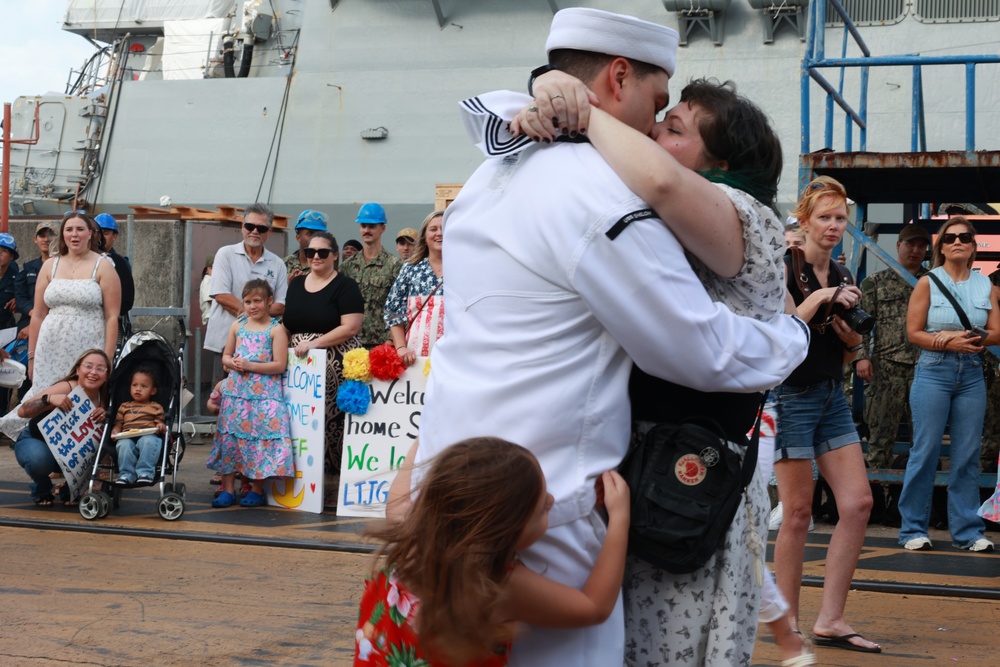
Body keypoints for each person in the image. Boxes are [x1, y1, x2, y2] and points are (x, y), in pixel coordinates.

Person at [408, 8, 810, 666]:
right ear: (617, 77)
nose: (654, 127)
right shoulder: (600, 195)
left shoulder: (486, 177)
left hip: (447, 504)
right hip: (546, 521)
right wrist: (793, 338)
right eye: (657, 105)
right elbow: (700, 347)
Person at [518, 74, 811, 665]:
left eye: (674, 128)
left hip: (692, 472)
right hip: (654, 467)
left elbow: (658, 177)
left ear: (721, 162)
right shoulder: (663, 211)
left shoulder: (744, 213)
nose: (654, 129)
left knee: (676, 642)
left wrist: (581, 111)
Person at [356, 436, 630, 666]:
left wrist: (422, 440)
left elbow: (396, 502)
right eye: (543, 509)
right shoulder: (495, 583)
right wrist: (619, 519)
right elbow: (592, 608)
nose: (552, 499)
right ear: (502, 534)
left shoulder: (413, 533)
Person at [772, 176, 880, 654]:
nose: (834, 226)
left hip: (830, 392)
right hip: (789, 395)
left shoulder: (845, 275)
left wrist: (851, 334)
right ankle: (788, 621)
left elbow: (850, 348)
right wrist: (821, 301)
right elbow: (781, 331)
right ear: (805, 219)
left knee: (857, 503)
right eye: (826, 217)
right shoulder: (781, 265)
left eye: (840, 219)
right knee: (797, 513)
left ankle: (831, 619)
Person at [898, 216, 999, 553]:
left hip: (971, 372)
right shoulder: (928, 283)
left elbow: (997, 331)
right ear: (940, 246)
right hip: (934, 372)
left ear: (973, 246)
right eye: (950, 237)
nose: (958, 242)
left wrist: (961, 338)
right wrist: (948, 343)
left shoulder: (986, 286)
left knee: (967, 453)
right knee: (924, 451)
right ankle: (912, 528)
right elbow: (914, 333)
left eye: (965, 237)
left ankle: (968, 532)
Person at [0, 211, 121, 441]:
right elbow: (37, 315)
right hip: (50, 344)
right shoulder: (50, 266)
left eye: (80, 229)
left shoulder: (104, 266)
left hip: (88, 345)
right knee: (46, 397)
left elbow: (112, 317)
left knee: (82, 397)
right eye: (69, 229)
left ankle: (76, 462)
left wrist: (107, 358)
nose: (74, 235)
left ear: (90, 234)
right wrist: (33, 356)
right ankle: (43, 453)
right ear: (63, 235)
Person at [282, 231, 364, 507]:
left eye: (322, 252)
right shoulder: (295, 285)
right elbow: (287, 324)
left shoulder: (346, 286)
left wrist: (315, 343)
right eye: (310, 252)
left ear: (335, 255)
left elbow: (350, 327)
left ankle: (334, 486)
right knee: (299, 423)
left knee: (333, 425)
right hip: (298, 367)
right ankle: (303, 484)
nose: (315, 257)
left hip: (335, 362)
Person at [855, 225, 930, 522]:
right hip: (885, 370)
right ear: (898, 245)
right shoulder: (875, 282)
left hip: (926, 369)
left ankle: (912, 506)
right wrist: (861, 357)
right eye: (910, 244)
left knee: (923, 441)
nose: (915, 250)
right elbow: (861, 325)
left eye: (922, 246)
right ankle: (874, 503)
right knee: (879, 440)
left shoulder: (935, 282)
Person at [207, 279, 294, 508]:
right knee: (230, 438)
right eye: (247, 301)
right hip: (236, 393)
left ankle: (256, 488)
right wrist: (232, 363)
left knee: (259, 442)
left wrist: (250, 365)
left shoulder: (276, 329)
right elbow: (226, 356)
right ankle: (227, 489)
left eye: (257, 301)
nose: (252, 306)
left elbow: (279, 365)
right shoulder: (238, 325)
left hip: (264, 394)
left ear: (269, 302)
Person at [12, 349, 110, 506]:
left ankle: (70, 489)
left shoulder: (105, 396)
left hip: (71, 453)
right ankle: (42, 487)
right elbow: (22, 411)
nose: (93, 372)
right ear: (78, 370)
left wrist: (105, 415)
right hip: (37, 441)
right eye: (88, 366)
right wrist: (49, 400)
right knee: (38, 460)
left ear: (106, 375)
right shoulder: (67, 387)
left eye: (100, 369)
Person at [203, 203, 288, 379]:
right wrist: (257, 313)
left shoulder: (277, 264)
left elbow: (281, 305)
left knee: (258, 401)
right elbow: (220, 294)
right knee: (222, 400)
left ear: (269, 232)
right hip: (226, 345)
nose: (255, 231)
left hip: (262, 350)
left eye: (261, 228)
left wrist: (252, 315)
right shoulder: (225, 254)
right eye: (250, 226)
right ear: (242, 227)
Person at [385, 211, 444, 364]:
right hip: (414, 359)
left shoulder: (464, 270)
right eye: (433, 229)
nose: (439, 233)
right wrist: (400, 348)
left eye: (445, 228)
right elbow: (393, 310)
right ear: (424, 236)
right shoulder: (410, 269)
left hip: (453, 360)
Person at [339, 202, 401, 349]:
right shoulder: (347, 266)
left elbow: (399, 306)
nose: (366, 230)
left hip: (381, 343)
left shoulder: (394, 265)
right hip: (350, 341)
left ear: (383, 228)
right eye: (363, 226)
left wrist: (390, 341)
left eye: (372, 226)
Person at [12, 222, 55, 399]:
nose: (46, 239)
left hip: (53, 326)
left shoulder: (62, 267)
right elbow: (20, 298)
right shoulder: (28, 268)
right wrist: (33, 316)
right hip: (26, 328)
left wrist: (37, 324)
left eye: (50, 234)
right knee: (25, 380)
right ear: (35, 239)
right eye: (42, 235)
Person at [112, 365, 166, 485]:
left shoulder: (155, 407)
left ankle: (145, 472)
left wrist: (160, 427)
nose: (138, 389)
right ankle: (126, 474)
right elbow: (118, 423)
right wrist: (115, 431)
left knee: (148, 442)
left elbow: (159, 422)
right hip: (127, 435)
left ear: (153, 390)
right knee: (123, 445)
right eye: (134, 385)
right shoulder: (124, 406)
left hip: (148, 434)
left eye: (144, 386)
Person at [94, 213, 135, 342]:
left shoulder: (119, 263)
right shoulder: (81, 261)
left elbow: (126, 301)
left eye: (105, 233)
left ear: (115, 236)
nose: (100, 237)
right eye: (97, 232)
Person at [285, 209, 328, 278]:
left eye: (319, 234)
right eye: (310, 233)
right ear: (298, 238)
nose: (314, 238)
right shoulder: (284, 264)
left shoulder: (327, 266)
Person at [199, 255, 214, 326]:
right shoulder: (207, 280)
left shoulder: (214, 281)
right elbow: (209, 299)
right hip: (210, 315)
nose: (214, 271)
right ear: (206, 271)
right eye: (211, 268)